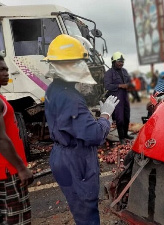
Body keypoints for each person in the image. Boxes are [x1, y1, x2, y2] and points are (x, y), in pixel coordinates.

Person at [44, 34, 119, 225]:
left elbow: (70, 121)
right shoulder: (71, 98)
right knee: (86, 209)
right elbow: (95, 135)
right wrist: (105, 116)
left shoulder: (53, 89)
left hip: (60, 154)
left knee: (77, 204)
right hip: (75, 159)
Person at [0, 55, 33, 224]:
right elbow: (1, 139)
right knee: (17, 218)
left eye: (6, 69)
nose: (6, 73)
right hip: (8, 171)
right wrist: (21, 168)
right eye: (1, 70)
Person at [104, 52, 134, 144]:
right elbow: (107, 85)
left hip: (125, 96)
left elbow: (129, 82)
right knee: (119, 118)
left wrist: (129, 85)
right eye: (119, 61)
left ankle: (125, 134)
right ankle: (121, 138)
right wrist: (120, 85)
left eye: (122, 61)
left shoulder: (124, 71)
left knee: (126, 116)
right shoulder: (109, 73)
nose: (121, 63)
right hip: (116, 97)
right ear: (113, 62)